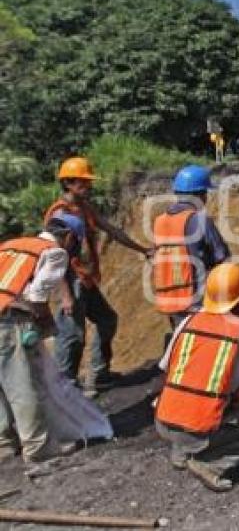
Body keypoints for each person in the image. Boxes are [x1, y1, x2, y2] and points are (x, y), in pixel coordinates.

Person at [155, 263, 239, 492]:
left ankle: (181, 450)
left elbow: (166, 367)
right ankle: (211, 464)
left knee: (210, 392)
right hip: (198, 427)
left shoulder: (187, 322)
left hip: (164, 420)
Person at [44, 155, 152, 396]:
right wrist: (66, 296)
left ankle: (99, 375)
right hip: (70, 282)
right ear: (69, 183)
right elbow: (54, 258)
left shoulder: (84, 208)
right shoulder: (60, 216)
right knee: (72, 337)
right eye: (83, 182)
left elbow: (111, 229)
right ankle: (66, 390)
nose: (89, 186)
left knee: (107, 320)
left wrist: (143, 249)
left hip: (86, 280)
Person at [0, 214, 86, 475]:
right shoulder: (54, 253)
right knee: (20, 383)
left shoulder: (11, 245)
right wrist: (46, 321)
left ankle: (4, 444)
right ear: (69, 237)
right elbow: (37, 296)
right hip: (8, 320)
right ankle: (39, 450)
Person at [153, 165, 230, 329]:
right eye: (205, 194)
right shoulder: (199, 219)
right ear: (200, 195)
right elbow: (223, 259)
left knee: (182, 342)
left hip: (169, 299)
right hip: (195, 299)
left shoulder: (159, 222)